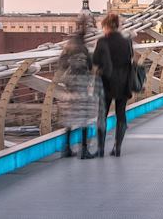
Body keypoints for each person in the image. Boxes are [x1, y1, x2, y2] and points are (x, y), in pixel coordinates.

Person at [56, 15, 98, 160]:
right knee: (84, 117)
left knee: (70, 118)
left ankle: (66, 148)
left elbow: (61, 63)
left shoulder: (68, 44)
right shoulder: (81, 45)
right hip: (80, 85)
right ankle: (84, 150)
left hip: (69, 86)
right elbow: (89, 65)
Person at [93, 13, 133, 157]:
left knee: (102, 114)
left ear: (106, 26)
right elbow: (130, 57)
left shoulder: (102, 41)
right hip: (123, 82)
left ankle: (100, 149)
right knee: (121, 115)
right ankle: (118, 148)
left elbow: (96, 60)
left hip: (106, 82)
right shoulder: (127, 41)